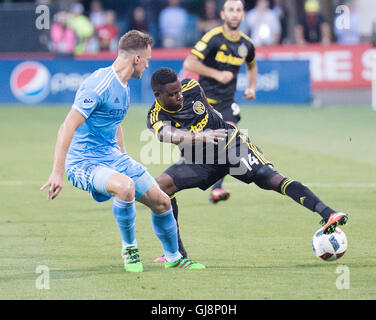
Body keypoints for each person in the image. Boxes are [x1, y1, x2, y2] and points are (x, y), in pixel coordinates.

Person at [40, 31, 205, 272]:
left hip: (112, 157)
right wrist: (57, 173)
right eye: (147, 59)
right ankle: (130, 249)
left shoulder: (124, 86)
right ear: (136, 58)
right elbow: (66, 126)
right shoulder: (99, 85)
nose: (148, 64)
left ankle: (174, 258)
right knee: (125, 187)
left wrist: (123, 156)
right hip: (84, 162)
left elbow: (114, 123)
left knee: (162, 201)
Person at [147, 67, 349, 262]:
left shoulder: (190, 86)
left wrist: (214, 112)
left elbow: (205, 103)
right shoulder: (156, 115)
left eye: (179, 91)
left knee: (272, 179)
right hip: (201, 160)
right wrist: (199, 136)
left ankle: (328, 213)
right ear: (158, 95)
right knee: (161, 187)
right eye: (172, 95)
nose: (179, 96)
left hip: (232, 146)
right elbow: (167, 134)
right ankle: (176, 252)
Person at [183, 0, 257, 204]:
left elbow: (252, 65)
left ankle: (217, 189)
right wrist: (217, 74)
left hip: (226, 102)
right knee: (198, 150)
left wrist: (251, 87)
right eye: (230, 10)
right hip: (204, 103)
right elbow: (189, 62)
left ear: (243, 15)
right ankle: (171, 184)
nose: (234, 14)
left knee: (230, 136)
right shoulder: (213, 38)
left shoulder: (246, 44)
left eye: (238, 10)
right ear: (223, 14)